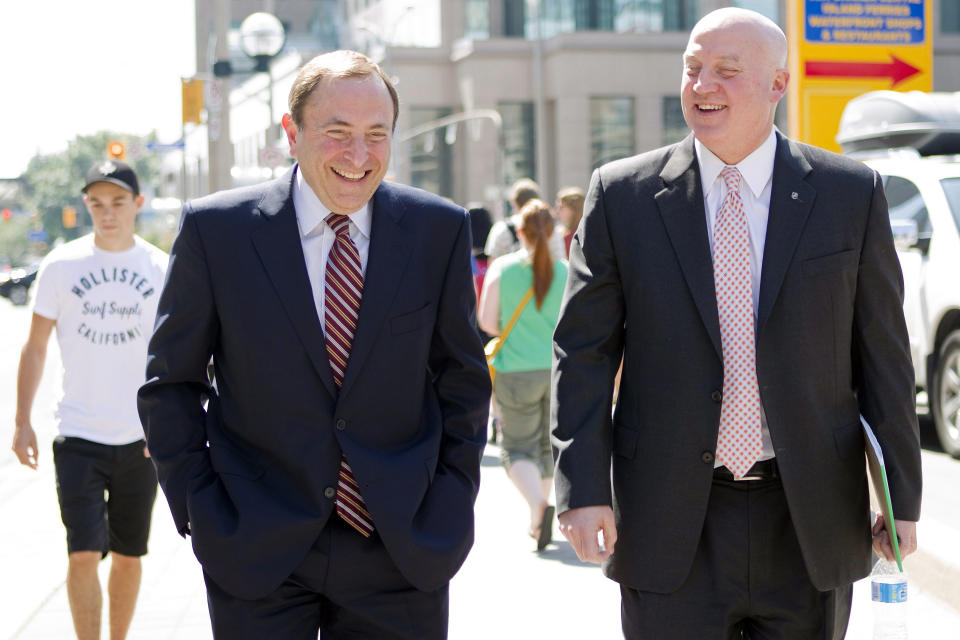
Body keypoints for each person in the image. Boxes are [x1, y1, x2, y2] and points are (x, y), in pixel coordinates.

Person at [551, 8, 922, 639]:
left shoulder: (849, 194)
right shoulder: (623, 196)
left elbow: (883, 355)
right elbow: (582, 351)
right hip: (670, 518)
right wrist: (582, 488)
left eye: (726, 71)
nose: (702, 85)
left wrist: (900, 499)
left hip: (808, 515)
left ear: (778, 85)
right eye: (693, 69)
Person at [137, 50, 490, 639]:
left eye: (377, 135)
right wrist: (203, 513)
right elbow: (170, 386)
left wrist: (451, 504)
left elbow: (462, 379)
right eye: (337, 133)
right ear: (291, 132)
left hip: (401, 548)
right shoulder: (216, 232)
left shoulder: (438, 230)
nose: (359, 156)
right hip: (256, 547)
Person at [12, 160, 167, 640]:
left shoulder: (161, 269)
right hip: (78, 434)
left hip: (138, 440)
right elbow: (36, 346)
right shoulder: (62, 266)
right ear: (87, 207)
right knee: (82, 552)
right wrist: (21, 422)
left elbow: (177, 356)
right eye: (97, 204)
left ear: (137, 205)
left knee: (128, 555)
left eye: (118, 203)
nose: (108, 213)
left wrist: (168, 428)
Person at [478, 199, 567, 551]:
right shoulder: (565, 270)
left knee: (515, 448)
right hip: (556, 371)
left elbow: (486, 321)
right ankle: (537, 518)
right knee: (546, 447)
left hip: (515, 371)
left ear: (519, 232)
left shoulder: (503, 268)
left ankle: (537, 506)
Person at [484, 178, 566, 262]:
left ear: (514, 202)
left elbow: (492, 263)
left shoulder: (501, 228)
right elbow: (560, 260)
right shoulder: (551, 230)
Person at [554, 186, 585, 257]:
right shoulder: (559, 232)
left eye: (561, 207)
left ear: (574, 209)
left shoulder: (585, 236)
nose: (557, 211)